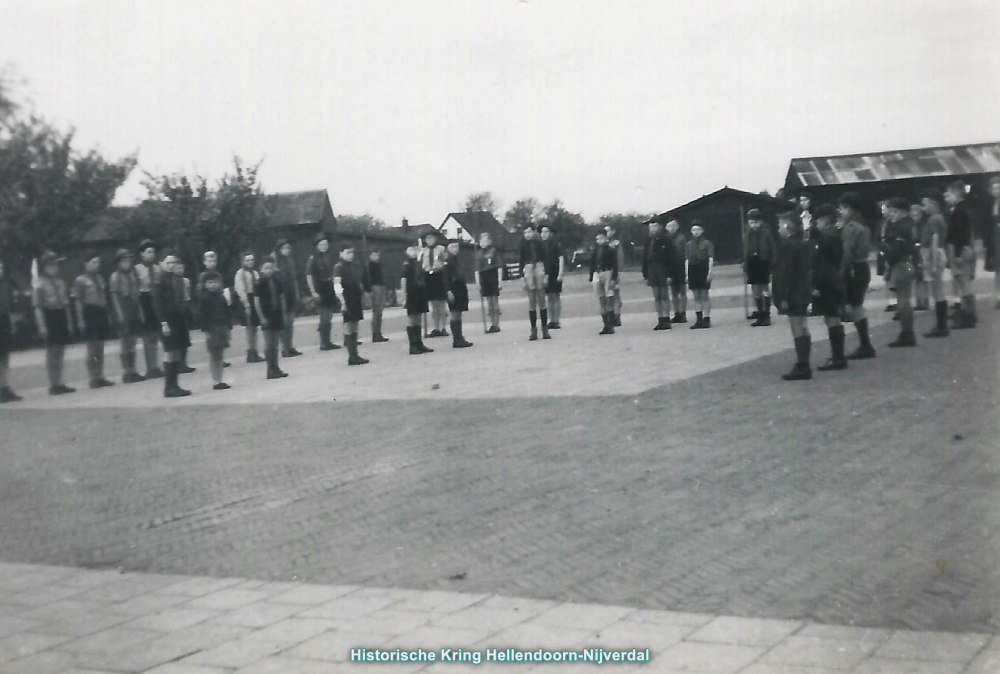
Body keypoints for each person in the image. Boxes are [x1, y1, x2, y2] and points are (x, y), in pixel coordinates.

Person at [772, 212, 813, 380]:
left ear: (787, 226)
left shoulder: (787, 246)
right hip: (803, 289)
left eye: (780, 225)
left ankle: (802, 365)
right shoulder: (803, 243)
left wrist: (783, 297)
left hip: (792, 292)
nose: (778, 229)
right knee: (803, 326)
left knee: (796, 327)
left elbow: (785, 273)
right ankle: (805, 362)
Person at [838, 192, 876, 360]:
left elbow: (847, 253)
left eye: (843, 208)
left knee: (855, 306)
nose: (841, 211)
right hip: (863, 266)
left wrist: (841, 272)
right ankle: (865, 343)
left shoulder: (850, 227)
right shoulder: (865, 225)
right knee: (857, 305)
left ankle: (865, 344)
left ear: (850, 209)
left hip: (853, 267)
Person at [811, 205, 848, 371]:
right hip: (836, 279)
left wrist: (816, 285)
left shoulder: (826, 239)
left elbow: (822, 266)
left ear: (824, 220)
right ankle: (838, 356)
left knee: (831, 318)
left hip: (827, 282)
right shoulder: (836, 235)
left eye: (817, 220)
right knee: (834, 318)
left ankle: (838, 357)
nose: (815, 224)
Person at [34, 251, 75, 395]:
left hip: (60, 315)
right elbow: (38, 307)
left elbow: (65, 304)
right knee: (52, 351)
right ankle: (53, 384)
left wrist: (69, 322)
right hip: (49, 315)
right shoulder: (39, 283)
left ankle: (60, 382)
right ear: (45, 266)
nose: (55, 267)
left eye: (56, 264)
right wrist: (42, 325)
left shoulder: (60, 282)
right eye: (52, 265)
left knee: (61, 350)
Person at [73, 252, 115, 389]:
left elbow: (103, 296)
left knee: (100, 346)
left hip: (100, 311)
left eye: (98, 262)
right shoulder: (80, 280)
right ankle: (93, 377)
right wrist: (80, 319)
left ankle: (100, 375)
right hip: (89, 311)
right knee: (92, 346)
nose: (96, 265)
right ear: (86, 263)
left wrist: (107, 313)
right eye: (93, 262)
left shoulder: (100, 278)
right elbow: (78, 301)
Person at [153, 252, 192, 397]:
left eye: (173, 263)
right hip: (167, 319)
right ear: (161, 263)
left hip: (178, 318)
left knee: (177, 351)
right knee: (169, 351)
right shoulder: (159, 280)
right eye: (168, 263)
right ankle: (169, 386)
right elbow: (157, 304)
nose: (171, 265)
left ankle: (175, 385)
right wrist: (163, 322)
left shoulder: (177, 279)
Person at [882, 197, 918, 348]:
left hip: (900, 264)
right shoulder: (906, 224)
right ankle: (907, 332)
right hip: (906, 263)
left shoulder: (902, 227)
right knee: (904, 299)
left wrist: (888, 259)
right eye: (891, 212)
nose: (892, 215)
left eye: (895, 212)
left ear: (904, 212)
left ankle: (907, 333)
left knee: (903, 300)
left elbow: (896, 248)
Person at [109, 249, 146, 384]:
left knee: (133, 341)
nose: (127, 264)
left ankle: (133, 370)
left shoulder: (133, 275)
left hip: (133, 308)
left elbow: (136, 294)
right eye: (124, 261)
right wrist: (119, 314)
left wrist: (140, 311)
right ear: (118, 263)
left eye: (129, 261)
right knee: (125, 342)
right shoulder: (115, 277)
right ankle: (126, 371)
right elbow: (114, 296)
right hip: (123, 308)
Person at [945, 181, 977, 329]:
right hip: (963, 248)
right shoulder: (963, 209)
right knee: (963, 282)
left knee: (963, 282)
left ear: (957, 194)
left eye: (949, 194)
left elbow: (960, 234)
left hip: (959, 249)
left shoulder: (959, 211)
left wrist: (957, 253)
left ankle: (969, 315)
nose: (947, 197)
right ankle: (968, 313)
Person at [920, 190, 950, 338]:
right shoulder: (938, 218)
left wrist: (932, 263)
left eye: (925, 204)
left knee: (937, 291)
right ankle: (941, 324)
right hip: (935, 254)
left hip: (933, 255)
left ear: (933, 204)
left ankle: (941, 325)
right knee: (937, 291)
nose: (923, 207)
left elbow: (935, 239)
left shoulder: (934, 219)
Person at [254, 256, 290, 379]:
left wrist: (284, 314)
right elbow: (256, 301)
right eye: (266, 268)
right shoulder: (259, 283)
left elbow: (281, 298)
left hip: (277, 314)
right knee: (269, 343)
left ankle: (276, 367)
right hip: (267, 314)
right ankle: (270, 369)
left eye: (271, 267)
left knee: (275, 343)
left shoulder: (277, 281)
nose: (269, 270)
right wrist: (262, 317)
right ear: (261, 270)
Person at [334, 244, 369, 365]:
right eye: (348, 253)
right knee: (348, 324)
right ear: (341, 253)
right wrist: (342, 301)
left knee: (355, 324)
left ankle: (355, 354)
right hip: (347, 296)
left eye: (352, 253)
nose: (351, 255)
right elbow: (337, 284)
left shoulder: (354, 266)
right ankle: (351, 355)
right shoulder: (339, 267)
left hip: (355, 297)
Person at [306, 233, 341, 351]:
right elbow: (309, 276)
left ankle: (328, 341)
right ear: (316, 246)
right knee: (323, 316)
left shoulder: (330, 257)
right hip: (320, 287)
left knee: (329, 315)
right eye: (321, 244)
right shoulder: (312, 259)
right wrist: (313, 292)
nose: (324, 246)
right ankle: (323, 342)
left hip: (329, 286)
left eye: (325, 244)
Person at [135, 239, 163, 379]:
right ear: (142, 254)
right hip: (144, 299)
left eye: (153, 252)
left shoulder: (158, 268)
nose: (152, 255)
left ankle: (156, 366)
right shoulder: (137, 269)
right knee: (148, 336)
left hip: (155, 300)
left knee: (156, 335)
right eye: (148, 252)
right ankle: (150, 367)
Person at [199, 271, 232, 390]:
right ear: (205, 285)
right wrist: (206, 331)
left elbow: (227, 313)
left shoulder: (221, 296)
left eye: (215, 282)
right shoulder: (204, 299)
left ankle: (221, 379)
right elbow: (203, 317)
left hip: (222, 326)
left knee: (221, 355)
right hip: (212, 328)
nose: (213, 285)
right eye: (210, 282)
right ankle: (216, 381)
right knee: (214, 355)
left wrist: (229, 327)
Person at [745, 209, 777, 326]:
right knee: (755, 289)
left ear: (761, 222)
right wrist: (745, 263)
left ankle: (766, 314)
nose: (754, 225)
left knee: (764, 288)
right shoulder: (748, 234)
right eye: (751, 222)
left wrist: (773, 263)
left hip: (763, 262)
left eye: (756, 222)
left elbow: (773, 249)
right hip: (752, 263)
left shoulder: (766, 233)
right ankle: (760, 313)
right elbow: (745, 249)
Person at [518, 225, 550, 341]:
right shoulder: (522, 245)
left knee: (541, 300)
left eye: (529, 232)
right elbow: (521, 261)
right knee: (531, 302)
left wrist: (546, 275)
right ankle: (533, 330)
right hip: (528, 268)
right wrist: (522, 278)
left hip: (539, 267)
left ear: (534, 232)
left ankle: (545, 329)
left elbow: (546, 259)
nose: (527, 234)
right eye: (525, 232)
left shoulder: (540, 244)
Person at [401, 240, 433, 355]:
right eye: (411, 249)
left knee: (419, 317)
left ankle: (419, 343)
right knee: (412, 318)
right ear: (407, 251)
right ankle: (412, 345)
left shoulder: (419, 262)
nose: (414, 252)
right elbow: (403, 280)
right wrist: (404, 296)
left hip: (420, 291)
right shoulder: (407, 264)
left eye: (416, 249)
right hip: (412, 292)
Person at [641, 219, 673, 330]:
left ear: (659, 227)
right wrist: (645, 274)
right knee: (656, 296)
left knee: (664, 295)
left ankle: (666, 319)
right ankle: (660, 319)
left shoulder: (666, 240)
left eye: (655, 227)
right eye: (651, 227)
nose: (653, 229)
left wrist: (669, 274)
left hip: (662, 268)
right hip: (651, 269)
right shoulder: (648, 241)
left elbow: (670, 259)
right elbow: (644, 259)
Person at [233, 251, 264, 363]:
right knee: (250, 328)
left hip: (254, 298)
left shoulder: (255, 273)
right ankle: (250, 352)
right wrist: (246, 304)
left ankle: (254, 351)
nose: (250, 262)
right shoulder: (240, 274)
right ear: (243, 261)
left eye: (252, 260)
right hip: (246, 300)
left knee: (255, 327)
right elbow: (240, 289)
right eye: (247, 260)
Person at [274, 239, 303, 358]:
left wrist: (296, 293)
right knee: (283, 322)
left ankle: (290, 346)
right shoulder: (275, 261)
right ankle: (284, 348)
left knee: (290, 322)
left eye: (288, 248)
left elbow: (294, 278)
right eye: (283, 248)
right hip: (281, 293)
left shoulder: (290, 261)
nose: (286, 251)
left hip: (290, 291)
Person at [444, 239, 474, 348]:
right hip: (453, 288)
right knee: (455, 313)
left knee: (459, 312)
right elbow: (445, 278)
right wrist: (448, 291)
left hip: (460, 288)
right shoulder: (447, 261)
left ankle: (460, 337)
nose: (456, 249)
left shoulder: (457, 260)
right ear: (448, 249)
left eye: (457, 247)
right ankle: (456, 339)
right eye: (453, 247)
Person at [0, 261, 23, 402]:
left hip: (3, 320)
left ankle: (5, 386)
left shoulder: (4, 286)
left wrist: (12, 322)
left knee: (5, 356)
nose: (1, 271)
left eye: (1, 268)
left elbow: (7, 306)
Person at [589, 230, 618, 335]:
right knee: (601, 299)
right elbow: (592, 263)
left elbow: (615, 265)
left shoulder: (610, 250)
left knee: (609, 298)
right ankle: (605, 324)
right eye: (597, 239)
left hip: (607, 272)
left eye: (601, 238)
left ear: (606, 238)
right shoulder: (595, 250)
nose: (599, 241)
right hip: (597, 273)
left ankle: (611, 324)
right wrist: (591, 276)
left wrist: (614, 278)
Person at [686, 222, 714, 329]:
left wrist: (710, 271)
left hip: (703, 268)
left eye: (698, 229)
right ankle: (699, 319)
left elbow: (710, 258)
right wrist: (687, 274)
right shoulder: (689, 244)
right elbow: (687, 260)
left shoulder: (707, 243)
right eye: (694, 230)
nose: (696, 232)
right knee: (696, 296)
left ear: (702, 230)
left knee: (704, 295)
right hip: (693, 269)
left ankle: (707, 319)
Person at [422, 231, 449, 337]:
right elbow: (422, 264)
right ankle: (436, 328)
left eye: (432, 238)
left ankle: (443, 327)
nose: (430, 240)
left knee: (441, 303)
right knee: (433, 305)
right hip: (429, 277)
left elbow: (445, 262)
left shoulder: (441, 249)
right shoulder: (423, 251)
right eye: (428, 238)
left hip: (439, 275)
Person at [540, 224, 565, 329]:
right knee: (549, 297)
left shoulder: (556, 244)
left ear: (550, 233)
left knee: (555, 296)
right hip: (545, 273)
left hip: (555, 272)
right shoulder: (540, 246)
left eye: (546, 232)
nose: (543, 234)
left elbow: (561, 259)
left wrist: (560, 273)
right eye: (542, 232)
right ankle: (551, 320)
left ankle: (557, 320)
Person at [476, 232, 502, 333]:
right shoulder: (479, 253)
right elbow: (477, 269)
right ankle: (492, 323)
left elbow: (499, 267)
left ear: (489, 241)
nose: (483, 242)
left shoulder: (494, 251)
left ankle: (496, 324)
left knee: (494, 301)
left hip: (492, 275)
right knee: (489, 302)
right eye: (481, 240)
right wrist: (478, 282)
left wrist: (500, 281)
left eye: (485, 240)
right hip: (484, 276)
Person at [173, 258, 195, 374]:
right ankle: (178, 364)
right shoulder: (172, 281)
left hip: (185, 306)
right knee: (177, 338)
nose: (180, 270)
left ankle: (184, 363)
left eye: (181, 267)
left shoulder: (186, 281)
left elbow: (188, 295)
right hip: (176, 308)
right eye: (177, 268)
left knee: (186, 338)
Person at [363, 249, 389, 343]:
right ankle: (375, 333)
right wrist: (368, 290)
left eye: (378, 255)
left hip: (381, 286)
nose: (376, 257)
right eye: (374, 255)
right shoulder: (368, 266)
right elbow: (365, 278)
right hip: (374, 287)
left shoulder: (379, 265)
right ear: (370, 256)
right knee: (376, 311)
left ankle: (379, 332)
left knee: (379, 311)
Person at [666, 219, 688, 323]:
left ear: (677, 227)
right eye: (670, 226)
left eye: (674, 225)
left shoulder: (682, 238)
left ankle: (683, 313)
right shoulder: (665, 238)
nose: (672, 228)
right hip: (670, 267)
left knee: (682, 291)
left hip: (681, 266)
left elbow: (685, 252)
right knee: (674, 292)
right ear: (666, 228)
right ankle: (676, 313)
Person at [909, 202, 930, 312]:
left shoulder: (924, 226)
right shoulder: (910, 226)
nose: (914, 217)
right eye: (913, 215)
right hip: (914, 253)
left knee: (923, 278)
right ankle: (918, 301)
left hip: (921, 252)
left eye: (916, 215)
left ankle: (925, 301)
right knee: (916, 278)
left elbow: (925, 238)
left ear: (921, 215)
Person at [983, 176, 1000, 309]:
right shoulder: (990, 203)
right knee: (998, 269)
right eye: (994, 188)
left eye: (999, 187)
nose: (996, 190)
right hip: (995, 238)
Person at [605, 225, 625, 326]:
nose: (606, 233)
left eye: (608, 231)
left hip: (614, 271)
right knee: (608, 294)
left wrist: (618, 272)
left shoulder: (616, 244)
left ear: (613, 232)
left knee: (616, 293)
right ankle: (611, 314)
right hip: (605, 272)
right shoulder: (603, 244)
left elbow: (620, 258)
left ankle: (617, 315)